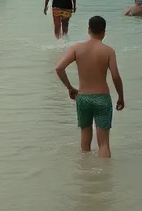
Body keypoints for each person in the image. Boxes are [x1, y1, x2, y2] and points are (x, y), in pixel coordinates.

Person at [53, 15, 125, 158]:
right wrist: (121, 97)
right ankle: (104, 175)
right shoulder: (108, 51)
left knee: (85, 141)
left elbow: (59, 68)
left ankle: (85, 174)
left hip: (83, 98)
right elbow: (115, 76)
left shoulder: (76, 48)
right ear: (104, 32)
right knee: (103, 143)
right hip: (102, 99)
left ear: (88, 30)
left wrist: (70, 88)